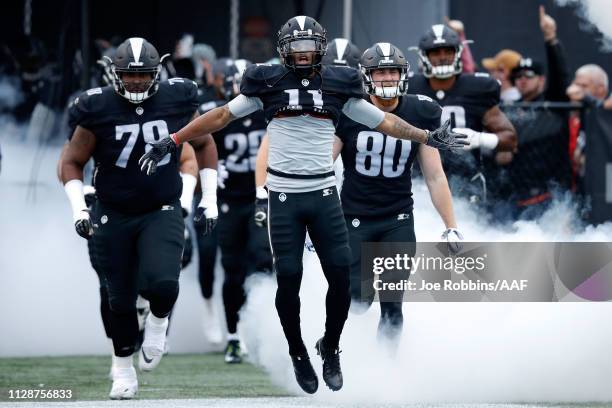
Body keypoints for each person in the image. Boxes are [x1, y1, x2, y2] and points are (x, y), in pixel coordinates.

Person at [138, 16, 467, 394]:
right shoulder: (268, 83)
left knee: (342, 279)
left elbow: (384, 123)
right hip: (284, 195)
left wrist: (427, 136)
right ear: (283, 51)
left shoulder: (339, 85)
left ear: (321, 48)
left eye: (309, 47)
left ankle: (330, 346)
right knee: (289, 279)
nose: (303, 54)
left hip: (325, 193)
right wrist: (175, 139)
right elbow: (223, 115)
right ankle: (297, 352)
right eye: (296, 48)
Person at [58, 37, 218, 400]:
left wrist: (207, 198)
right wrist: (79, 207)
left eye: (143, 75)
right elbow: (71, 160)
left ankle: (159, 323)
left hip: (161, 207)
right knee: (118, 297)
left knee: (164, 283)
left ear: (157, 72)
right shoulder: (95, 106)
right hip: (111, 210)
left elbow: (204, 145)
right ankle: (122, 368)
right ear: (114, 74)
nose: (135, 83)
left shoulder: (177, 98)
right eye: (128, 76)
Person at [331, 42, 463, 351]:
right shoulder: (349, 109)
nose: (388, 78)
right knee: (357, 300)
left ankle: (387, 371)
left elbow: (434, 175)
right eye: (380, 72)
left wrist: (451, 224)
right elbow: (325, 166)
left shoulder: (422, 110)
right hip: (354, 218)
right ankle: (342, 350)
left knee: (392, 302)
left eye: (393, 71)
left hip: (397, 218)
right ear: (366, 77)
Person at [201, 58, 272, 363]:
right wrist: (214, 167)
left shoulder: (271, 113)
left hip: (260, 199)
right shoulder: (221, 115)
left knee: (264, 261)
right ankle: (233, 335)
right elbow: (199, 148)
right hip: (229, 202)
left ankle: (261, 327)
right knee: (232, 270)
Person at [408, 24, 517, 206]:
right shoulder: (409, 88)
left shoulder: (477, 88)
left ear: (458, 53)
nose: (442, 57)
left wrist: (480, 138)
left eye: (448, 51)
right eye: (435, 52)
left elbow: (511, 139)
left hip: (466, 186)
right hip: (418, 185)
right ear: (423, 56)